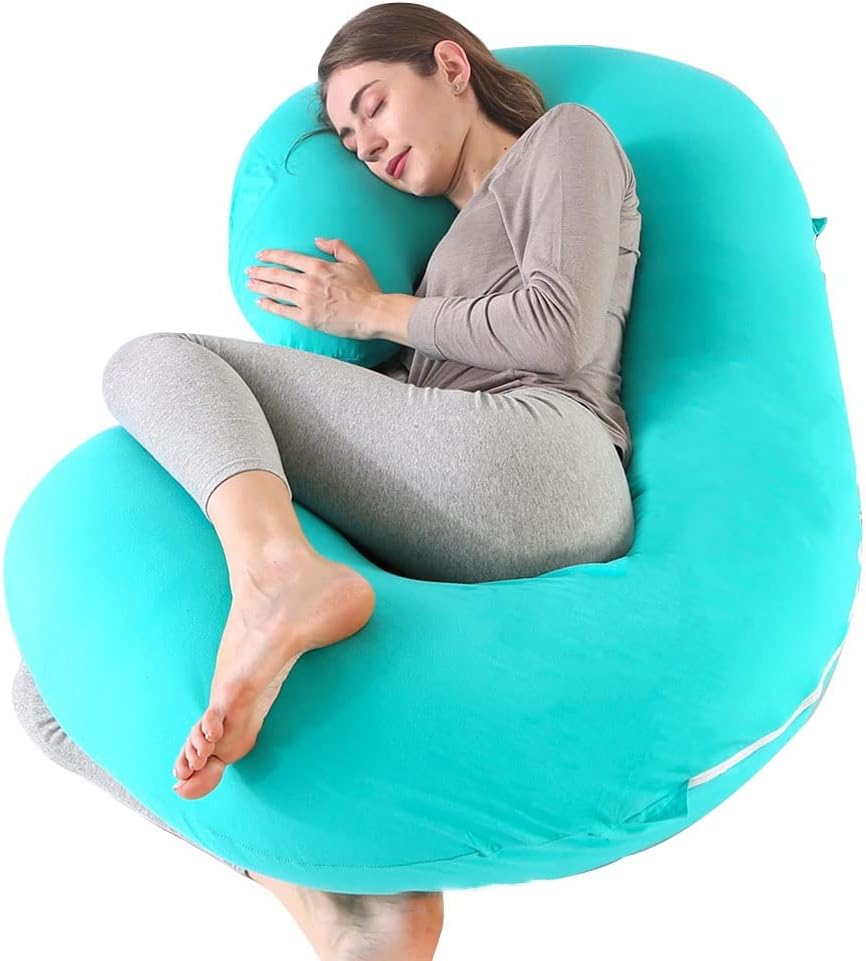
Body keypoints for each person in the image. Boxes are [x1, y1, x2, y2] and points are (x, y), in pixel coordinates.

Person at [12, 3, 641, 959]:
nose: (368, 145)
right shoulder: (446, 250)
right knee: (48, 703)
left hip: (546, 456)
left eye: (373, 106)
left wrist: (375, 310)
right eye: (348, 140)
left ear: (451, 66)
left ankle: (275, 572)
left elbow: (555, 325)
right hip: (463, 491)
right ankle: (331, 897)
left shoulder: (566, 139)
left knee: (155, 358)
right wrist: (374, 337)